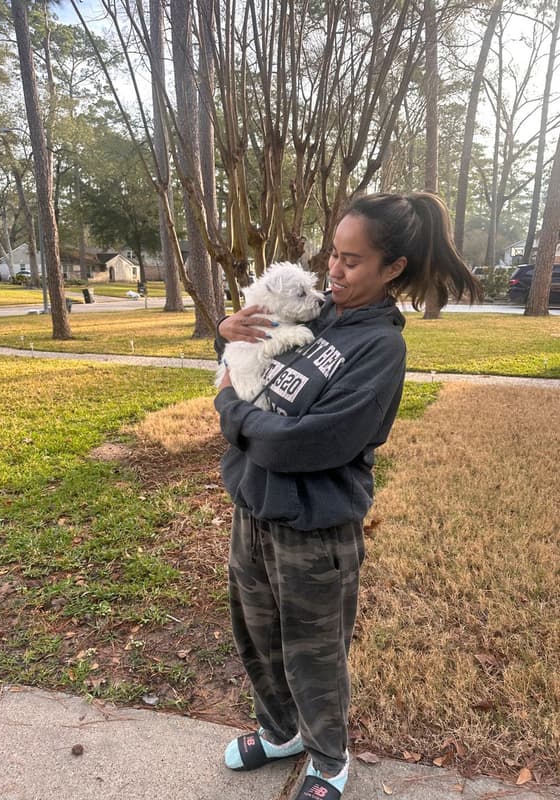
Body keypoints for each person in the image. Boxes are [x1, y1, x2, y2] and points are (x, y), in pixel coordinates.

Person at [213, 192, 482, 800]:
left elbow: (305, 443)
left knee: (313, 652)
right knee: (257, 635)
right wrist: (226, 334)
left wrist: (226, 407)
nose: (334, 271)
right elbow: (253, 363)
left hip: (314, 528)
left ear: (393, 269)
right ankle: (279, 730)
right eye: (333, 255)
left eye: (352, 261)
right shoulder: (321, 313)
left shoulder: (380, 347)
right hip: (253, 507)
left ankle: (328, 759)